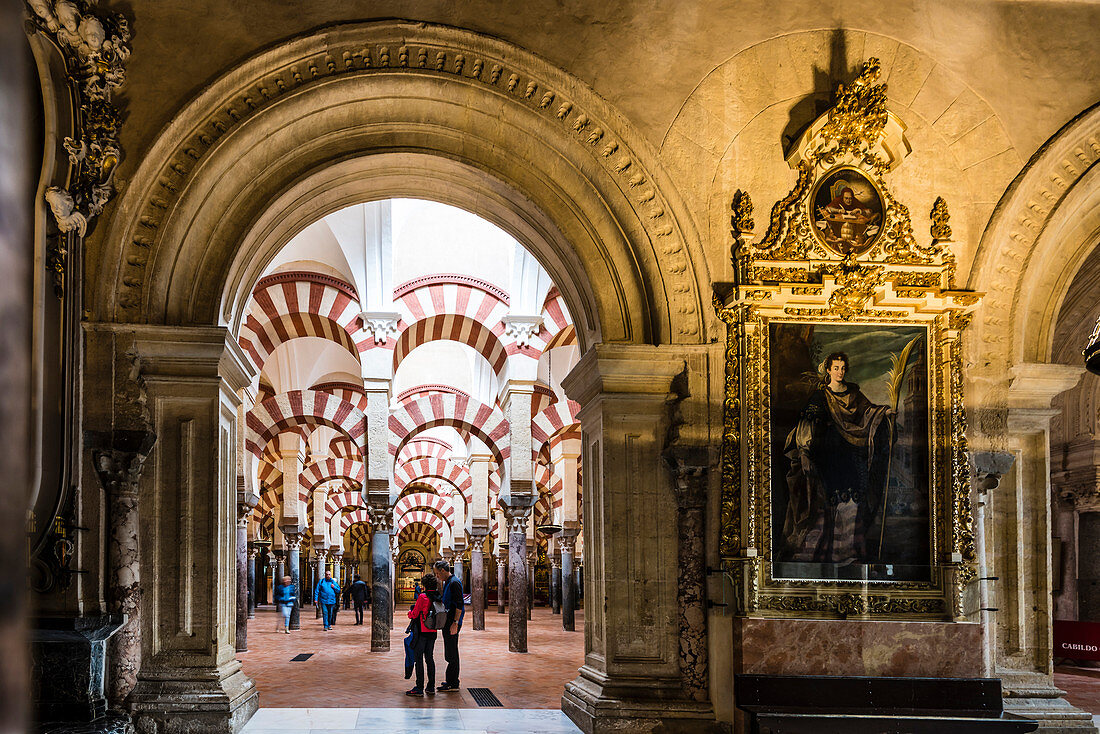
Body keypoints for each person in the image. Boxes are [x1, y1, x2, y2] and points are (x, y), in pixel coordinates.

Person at [781, 351, 894, 566]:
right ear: (828, 370)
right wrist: (804, 453)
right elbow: (807, 426)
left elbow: (869, 413)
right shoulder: (820, 396)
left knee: (852, 501)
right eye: (836, 368)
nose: (840, 372)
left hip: (851, 455)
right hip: (827, 455)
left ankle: (847, 554)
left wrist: (884, 414)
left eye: (843, 368)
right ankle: (824, 555)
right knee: (826, 502)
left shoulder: (854, 394)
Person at [406, 573, 442, 697]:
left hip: (421, 632)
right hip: (433, 632)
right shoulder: (438, 596)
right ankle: (431, 687)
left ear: (424, 584)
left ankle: (419, 687)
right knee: (430, 658)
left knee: (419, 659)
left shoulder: (422, 596)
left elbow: (414, 614)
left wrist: (410, 613)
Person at [433, 559, 464, 692]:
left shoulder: (454, 583)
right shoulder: (448, 582)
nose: (437, 576)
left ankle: (453, 683)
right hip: (448, 622)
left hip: (452, 622)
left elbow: (459, 605)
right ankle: (450, 681)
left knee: (452, 653)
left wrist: (455, 623)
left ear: (443, 571)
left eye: (437, 573)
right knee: (449, 652)